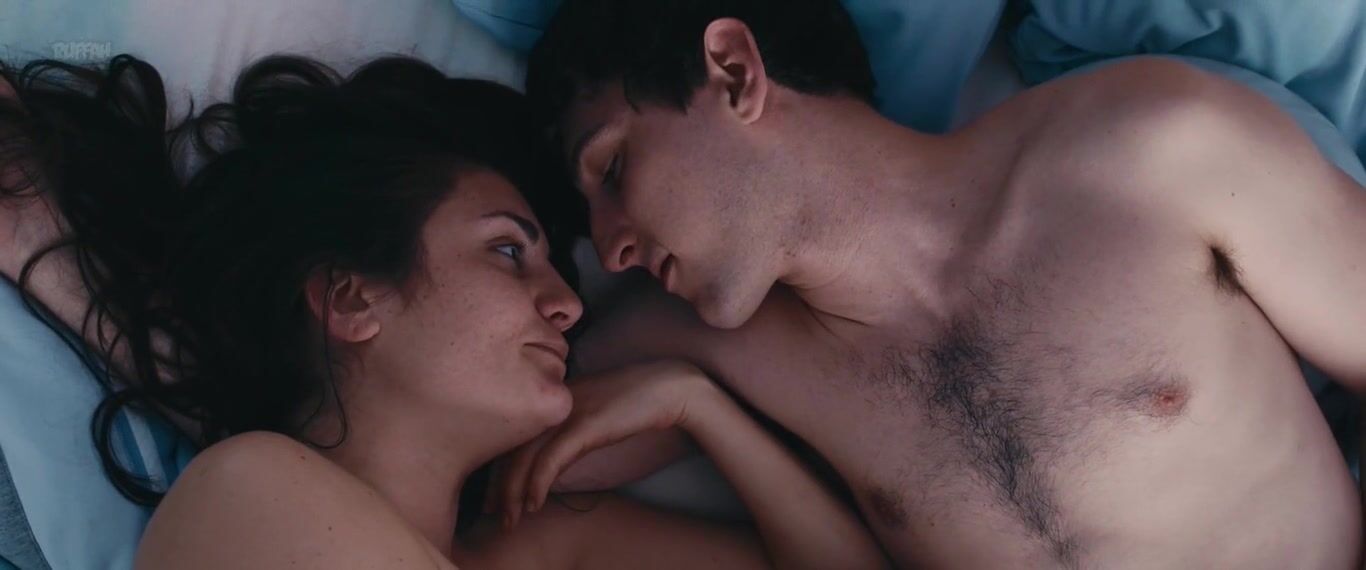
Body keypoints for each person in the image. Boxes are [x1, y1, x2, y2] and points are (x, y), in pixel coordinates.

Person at [524, 0, 1366, 567]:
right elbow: (496, 463)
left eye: (613, 168)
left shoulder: (1147, 150)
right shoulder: (717, 348)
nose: (612, 247)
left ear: (735, 72)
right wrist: (697, 408)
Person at [0, 55, 888, 569]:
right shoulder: (246, 486)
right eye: (506, 251)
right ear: (352, 298)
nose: (567, 304)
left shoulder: (545, 546)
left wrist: (701, 407)